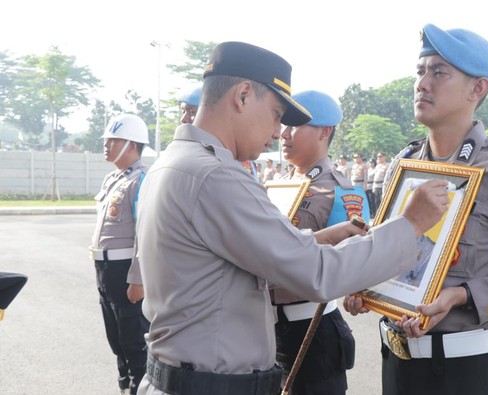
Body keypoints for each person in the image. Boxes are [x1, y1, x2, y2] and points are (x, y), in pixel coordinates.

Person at [134, 41, 449, 395]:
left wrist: (316, 239)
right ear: (242, 96)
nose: (276, 132)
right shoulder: (216, 176)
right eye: (275, 114)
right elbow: (318, 274)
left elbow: (224, 261)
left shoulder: (170, 164)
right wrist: (410, 225)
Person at [344, 24, 488, 395]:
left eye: (439, 72)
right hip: (396, 361)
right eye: (420, 72)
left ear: (478, 88)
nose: (423, 84)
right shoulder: (403, 166)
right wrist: (365, 284)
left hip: (467, 371)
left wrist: (464, 295)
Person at [275, 90, 369, 395]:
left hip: (312, 332)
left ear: (324, 132)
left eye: (295, 126)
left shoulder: (341, 191)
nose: (284, 134)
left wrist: (359, 293)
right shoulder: (280, 184)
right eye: (283, 125)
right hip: (268, 329)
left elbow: (359, 260)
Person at [90, 114, 150, 395]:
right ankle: (125, 387)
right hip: (105, 270)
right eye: (106, 139)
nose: (106, 144)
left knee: (134, 340)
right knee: (115, 338)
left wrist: (137, 278)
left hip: (126, 270)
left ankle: (140, 387)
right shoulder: (113, 179)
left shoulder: (142, 181)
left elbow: (144, 233)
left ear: (132, 144)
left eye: (112, 139)